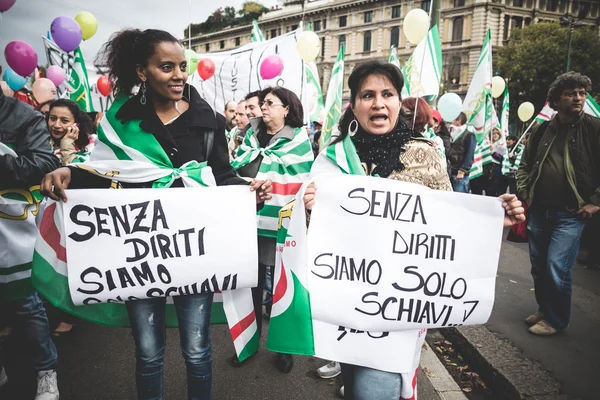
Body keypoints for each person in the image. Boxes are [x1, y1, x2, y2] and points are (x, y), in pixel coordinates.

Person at [40, 28, 273, 400]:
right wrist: (71, 172)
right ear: (142, 71)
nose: (180, 75)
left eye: (183, 66)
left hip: (196, 254)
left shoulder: (208, 119)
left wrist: (249, 191)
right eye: (167, 67)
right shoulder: (123, 120)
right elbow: (104, 173)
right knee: (148, 353)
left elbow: (223, 175)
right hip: (141, 256)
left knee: (197, 350)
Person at [304, 61, 525, 400]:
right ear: (355, 104)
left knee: (374, 390)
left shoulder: (425, 154)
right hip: (345, 303)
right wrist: (308, 209)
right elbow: (310, 235)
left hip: (398, 305)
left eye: (387, 94)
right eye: (368, 95)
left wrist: (495, 223)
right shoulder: (333, 157)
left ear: (398, 102)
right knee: (353, 383)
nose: (378, 103)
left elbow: (447, 228)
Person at [230, 86, 314, 373]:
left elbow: (301, 178)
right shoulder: (250, 136)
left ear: (286, 109)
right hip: (248, 221)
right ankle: (247, 341)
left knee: (281, 287)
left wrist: (266, 177)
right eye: (262, 103)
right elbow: (236, 170)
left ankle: (283, 348)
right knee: (250, 285)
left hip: (282, 225)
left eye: (270, 103)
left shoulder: (299, 139)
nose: (262, 107)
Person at [517, 72, 600, 336]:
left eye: (582, 93)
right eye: (570, 93)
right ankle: (545, 308)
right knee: (539, 266)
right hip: (540, 210)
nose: (577, 98)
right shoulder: (543, 128)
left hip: (570, 214)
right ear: (556, 99)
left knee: (556, 265)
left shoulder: (594, 128)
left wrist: (595, 202)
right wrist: (524, 191)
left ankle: (556, 319)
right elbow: (524, 164)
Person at [1, 81, 61, 399]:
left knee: (26, 304)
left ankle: (46, 371)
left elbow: (46, 163)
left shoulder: (22, 117)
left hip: (13, 231)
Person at [47, 99, 96, 166]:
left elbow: (78, 172)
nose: (56, 125)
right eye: (53, 118)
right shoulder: (39, 141)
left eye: (64, 121)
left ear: (77, 124)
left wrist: (67, 146)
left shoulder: (91, 146)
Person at [448, 112, 476, 193]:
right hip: (450, 172)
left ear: (458, 121)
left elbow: (469, 155)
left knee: (459, 200)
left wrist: (462, 171)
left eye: (453, 119)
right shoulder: (451, 134)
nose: (451, 122)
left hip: (460, 174)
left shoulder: (469, 135)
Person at [486, 127, 508, 197]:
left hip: (496, 170)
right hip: (487, 169)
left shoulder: (502, 145)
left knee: (495, 190)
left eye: (497, 133)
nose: (495, 135)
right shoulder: (486, 144)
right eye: (493, 133)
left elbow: (501, 158)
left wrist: (492, 152)